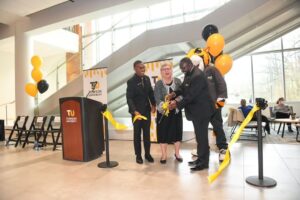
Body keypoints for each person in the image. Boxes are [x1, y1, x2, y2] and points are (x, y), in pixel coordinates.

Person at [167, 57, 215, 171]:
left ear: (189, 64)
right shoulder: (189, 73)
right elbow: (183, 88)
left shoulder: (198, 75)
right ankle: (200, 159)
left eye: (184, 68)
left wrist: (176, 104)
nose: (183, 71)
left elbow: (191, 96)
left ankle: (204, 163)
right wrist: (174, 93)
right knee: (199, 137)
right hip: (196, 111)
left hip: (202, 111)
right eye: (181, 69)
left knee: (202, 138)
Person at [191, 53, 229, 163]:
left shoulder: (212, 70)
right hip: (200, 107)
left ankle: (223, 148)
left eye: (197, 64)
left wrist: (221, 98)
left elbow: (221, 83)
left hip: (214, 105)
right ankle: (203, 149)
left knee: (217, 126)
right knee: (200, 130)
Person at [126, 60, 156, 164]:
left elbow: (150, 93)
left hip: (146, 111)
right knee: (137, 134)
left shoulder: (147, 79)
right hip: (137, 113)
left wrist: (153, 104)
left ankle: (147, 154)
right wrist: (134, 111)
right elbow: (129, 98)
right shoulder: (131, 81)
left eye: (143, 67)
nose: (143, 69)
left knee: (147, 134)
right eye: (140, 68)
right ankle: (138, 156)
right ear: (135, 68)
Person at [154, 61, 183, 164]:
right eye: (164, 69)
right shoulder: (158, 84)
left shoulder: (178, 81)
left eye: (168, 69)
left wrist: (175, 102)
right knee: (163, 134)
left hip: (176, 112)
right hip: (163, 113)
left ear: (172, 70)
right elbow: (157, 98)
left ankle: (177, 153)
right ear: (161, 72)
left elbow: (182, 94)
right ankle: (164, 155)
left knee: (177, 133)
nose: (167, 71)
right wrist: (165, 106)